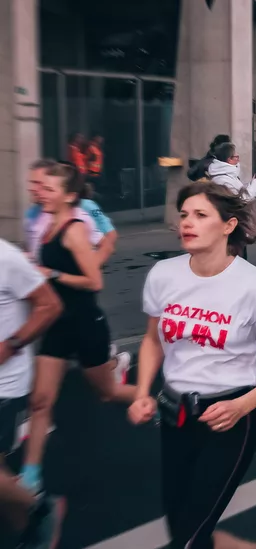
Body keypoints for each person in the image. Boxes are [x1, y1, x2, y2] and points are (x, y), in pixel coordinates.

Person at [128, 182, 256, 549]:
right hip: (175, 415)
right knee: (184, 526)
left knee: (188, 536)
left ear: (228, 226)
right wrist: (141, 393)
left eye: (201, 215)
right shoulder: (164, 275)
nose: (187, 222)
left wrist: (241, 406)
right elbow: (152, 340)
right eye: (185, 214)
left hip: (231, 417)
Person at [23, 161, 136, 495]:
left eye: (48, 189)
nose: (41, 192)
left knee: (109, 393)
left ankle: (162, 403)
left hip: (86, 323)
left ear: (68, 196)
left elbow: (93, 280)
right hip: (57, 324)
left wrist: (51, 275)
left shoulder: (73, 229)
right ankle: (31, 476)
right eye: (40, 187)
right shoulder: (45, 225)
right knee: (41, 401)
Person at [0, 238, 65, 547]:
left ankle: (39, 507)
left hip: (4, 385)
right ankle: (32, 531)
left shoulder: (6, 257)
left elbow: (50, 305)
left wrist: (10, 345)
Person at [24, 160, 118, 267]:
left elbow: (109, 237)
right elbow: (33, 247)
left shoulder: (82, 209)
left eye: (38, 183)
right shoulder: (32, 212)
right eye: (31, 182)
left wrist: (90, 268)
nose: (31, 188)